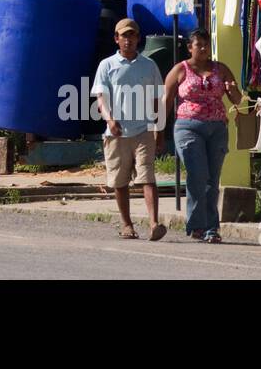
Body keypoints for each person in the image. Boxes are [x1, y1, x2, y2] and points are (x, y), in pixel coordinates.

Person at [91, 18, 167, 241]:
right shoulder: (107, 65)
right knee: (120, 180)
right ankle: (127, 224)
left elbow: (157, 101)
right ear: (116, 39)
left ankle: (154, 223)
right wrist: (110, 120)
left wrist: (159, 130)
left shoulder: (149, 65)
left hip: (143, 129)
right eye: (124, 36)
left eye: (132, 35)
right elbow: (101, 99)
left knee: (148, 176)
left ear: (138, 38)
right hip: (117, 132)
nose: (128, 40)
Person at [164, 28, 241, 242]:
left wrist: (232, 89)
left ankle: (210, 228)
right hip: (188, 127)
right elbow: (167, 101)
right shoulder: (180, 70)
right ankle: (197, 224)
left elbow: (237, 99)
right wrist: (158, 130)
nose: (204, 48)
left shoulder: (221, 69)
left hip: (216, 128)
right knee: (198, 174)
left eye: (206, 44)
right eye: (199, 44)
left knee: (212, 179)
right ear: (190, 47)